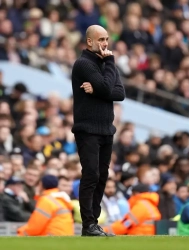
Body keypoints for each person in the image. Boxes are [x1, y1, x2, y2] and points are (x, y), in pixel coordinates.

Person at [71, 25, 125, 237]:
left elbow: (119, 93)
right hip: (87, 129)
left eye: (106, 39)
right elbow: (107, 88)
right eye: (100, 39)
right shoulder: (83, 63)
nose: (105, 44)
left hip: (106, 129)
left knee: (102, 175)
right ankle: (88, 223)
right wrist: (104, 84)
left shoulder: (106, 65)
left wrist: (99, 89)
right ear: (89, 42)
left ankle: (93, 223)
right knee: (91, 174)